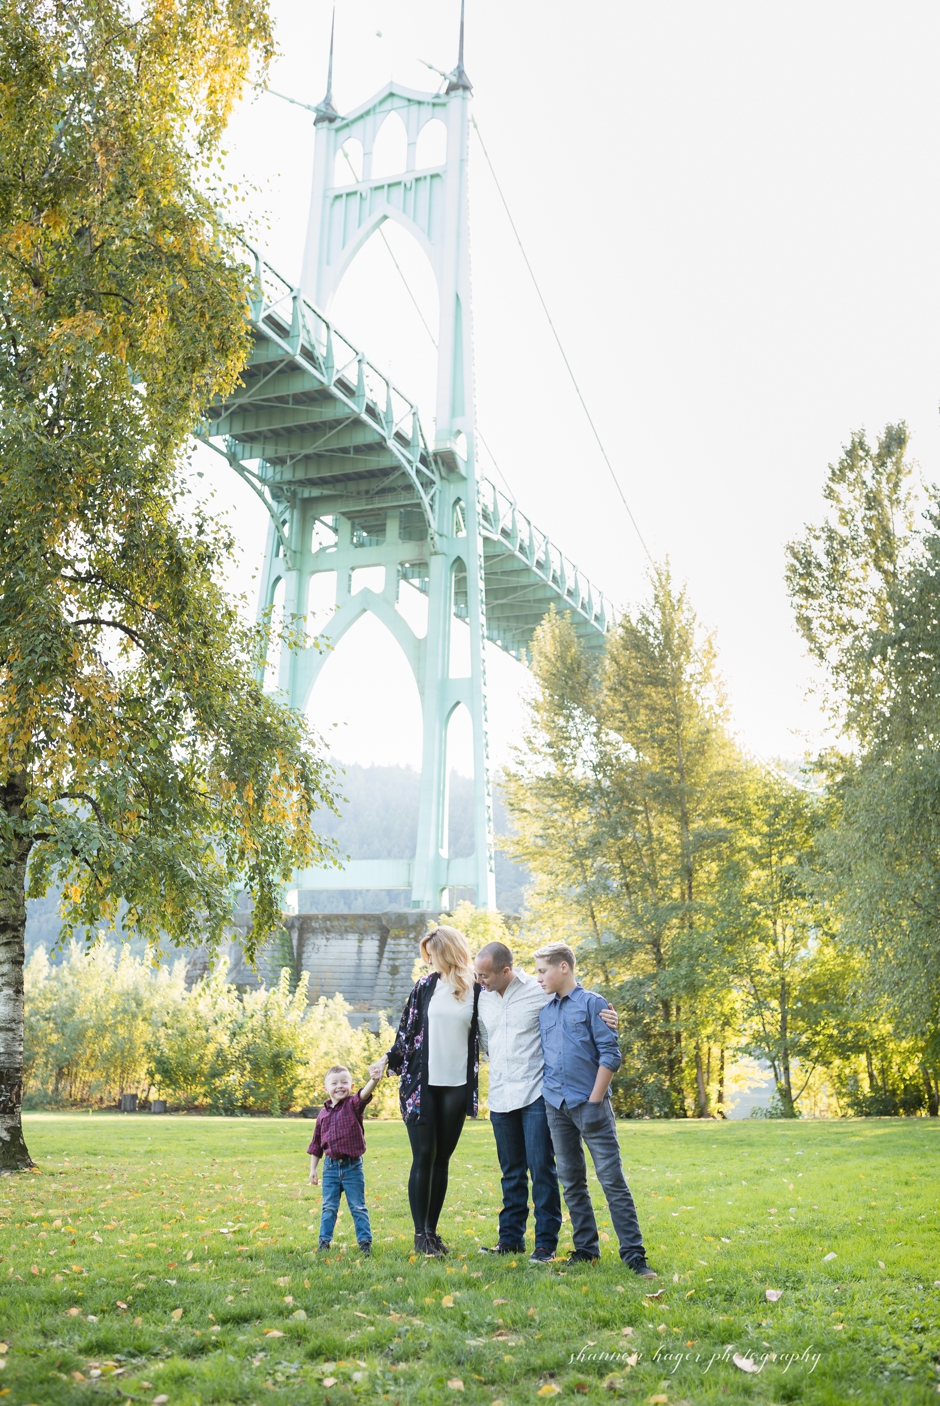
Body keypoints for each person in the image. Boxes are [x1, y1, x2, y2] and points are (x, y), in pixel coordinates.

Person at [474, 940, 619, 1265]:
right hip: (499, 1095)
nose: (479, 981)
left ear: (506, 970)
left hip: (536, 1094)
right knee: (510, 1172)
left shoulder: (537, 990)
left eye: (484, 975)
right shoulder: (482, 999)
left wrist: (608, 1015)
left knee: (542, 1169)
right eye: (477, 975)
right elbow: (485, 1041)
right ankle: (509, 1240)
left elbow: (575, 998)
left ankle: (545, 1244)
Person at [535, 942, 656, 1277]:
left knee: (612, 1180)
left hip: (592, 1106)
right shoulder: (545, 1011)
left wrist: (594, 1101)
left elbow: (611, 1056)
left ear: (563, 967)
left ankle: (634, 1254)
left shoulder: (594, 1005)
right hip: (556, 1106)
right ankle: (586, 1249)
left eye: (543, 971)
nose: (538, 978)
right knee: (572, 1181)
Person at [372, 924, 481, 1258]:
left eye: (432, 955)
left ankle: (433, 1232)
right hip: (421, 1086)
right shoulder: (424, 987)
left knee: (442, 1160)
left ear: (446, 951)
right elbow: (405, 1034)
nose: (429, 961)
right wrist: (385, 1060)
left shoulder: (478, 988)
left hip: (457, 1086)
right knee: (424, 1156)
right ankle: (420, 1235)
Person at [307, 1061, 385, 1257]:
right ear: (326, 1088)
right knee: (329, 1207)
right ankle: (324, 1242)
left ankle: (365, 1243)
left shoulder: (353, 1105)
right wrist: (313, 1169)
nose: (339, 1086)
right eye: (334, 1083)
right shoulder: (322, 1115)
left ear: (350, 1087)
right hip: (330, 1168)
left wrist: (373, 1080)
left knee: (358, 1206)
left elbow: (364, 1094)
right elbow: (316, 1144)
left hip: (352, 1168)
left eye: (344, 1082)